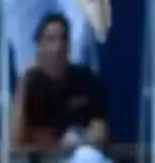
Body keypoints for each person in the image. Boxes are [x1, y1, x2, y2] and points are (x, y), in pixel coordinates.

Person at [10, 13, 110, 163]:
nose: (58, 47)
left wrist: (72, 143)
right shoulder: (30, 84)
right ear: (39, 45)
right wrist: (22, 84)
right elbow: (15, 146)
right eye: (50, 39)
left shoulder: (87, 80)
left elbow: (99, 135)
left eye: (63, 39)